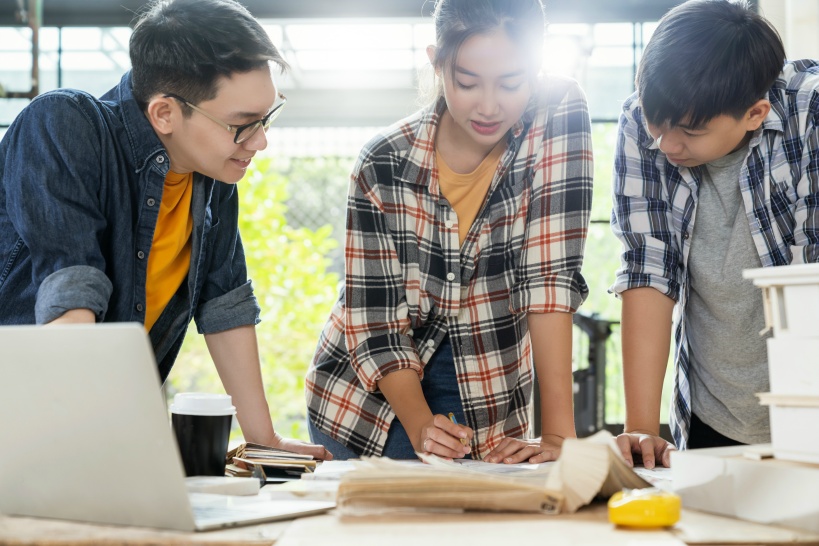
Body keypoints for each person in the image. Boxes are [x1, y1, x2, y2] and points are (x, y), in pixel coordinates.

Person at [0, 0, 330, 459]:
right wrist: (78, 444)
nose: (260, 141)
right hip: (25, 420)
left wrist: (264, 441)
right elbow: (71, 293)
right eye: (241, 125)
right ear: (164, 114)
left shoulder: (213, 176)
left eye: (266, 118)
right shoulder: (63, 124)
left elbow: (224, 304)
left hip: (99, 425)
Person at [305, 0, 593, 461]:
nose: (490, 105)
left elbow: (549, 276)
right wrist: (420, 426)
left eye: (512, 82)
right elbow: (375, 322)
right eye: (467, 82)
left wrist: (559, 436)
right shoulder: (382, 162)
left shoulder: (558, 111)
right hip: (370, 402)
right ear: (437, 62)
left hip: (488, 382)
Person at [611, 0, 819, 468]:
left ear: (754, 112)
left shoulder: (811, 113)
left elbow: (812, 284)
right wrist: (641, 429)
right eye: (655, 121)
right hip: (713, 415)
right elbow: (648, 267)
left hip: (810, 409)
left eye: (689, 131)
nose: (666, 144)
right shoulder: (642, 125)